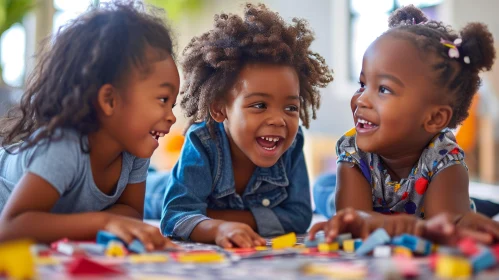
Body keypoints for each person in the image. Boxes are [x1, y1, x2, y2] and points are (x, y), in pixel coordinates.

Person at [0, 1, 179, 251]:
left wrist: (107, 223)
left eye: (172, 104)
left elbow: (130, 213)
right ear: (109, 100)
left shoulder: (134, 150)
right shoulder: (64, 147)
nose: (172, 117)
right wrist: (103, 221)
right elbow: (10, 228)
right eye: (163, 99)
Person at [311, 5, 499, 243]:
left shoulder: (444, 157)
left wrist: (455, 221)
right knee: (322, 190)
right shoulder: (353, 152)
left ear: (433, 119)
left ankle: (480, 204)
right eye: (362, 84)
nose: (361, 99)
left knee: (469, 211)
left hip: (427, 199)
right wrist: (402, 224)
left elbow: (442, 227)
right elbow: (352, 222)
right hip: (341, 191)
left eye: (383, 89)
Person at [157, 3, 333, 248]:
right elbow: (175, 215)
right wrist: (218, 227)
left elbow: (300, 217)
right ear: (220, 109)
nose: (278, 119)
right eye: (260, 105)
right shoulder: (203, 141)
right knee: (155, 189)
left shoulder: (292, 145)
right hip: (160, 190)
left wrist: (214, 216)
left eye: (290, 108)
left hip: (201, 203)